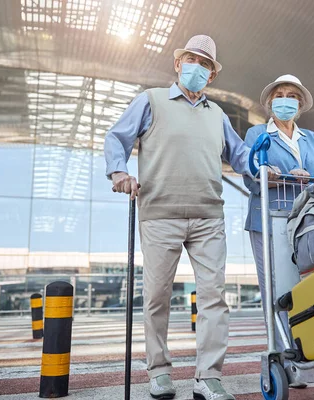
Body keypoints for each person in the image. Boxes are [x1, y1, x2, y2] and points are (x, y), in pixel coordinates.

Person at [105, 34, 275, 400]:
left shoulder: (217, 116)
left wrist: (261, 165)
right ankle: (159, 372)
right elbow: (117, 138)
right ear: (178, 64)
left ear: (212, 76)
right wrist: (118, 172)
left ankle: (208, 377)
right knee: (157, 297)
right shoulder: (150, 101)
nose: (198, 68)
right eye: (192, 60)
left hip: (208, 218)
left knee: (214, 297)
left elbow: (241, 156)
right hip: (159, 215)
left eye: (206, 65)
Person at [243, 74, 314, 387]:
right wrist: (270, 173)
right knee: (275, 290)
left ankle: (309, 354)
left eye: (291, 95)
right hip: (268, 220)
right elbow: (248, 170)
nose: (285, 99)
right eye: (279, 94)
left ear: (299, 105)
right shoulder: (258, 133)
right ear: (271, 102)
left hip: (305, 223)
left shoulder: (311, 138)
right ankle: (283, 356)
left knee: (308, 287)